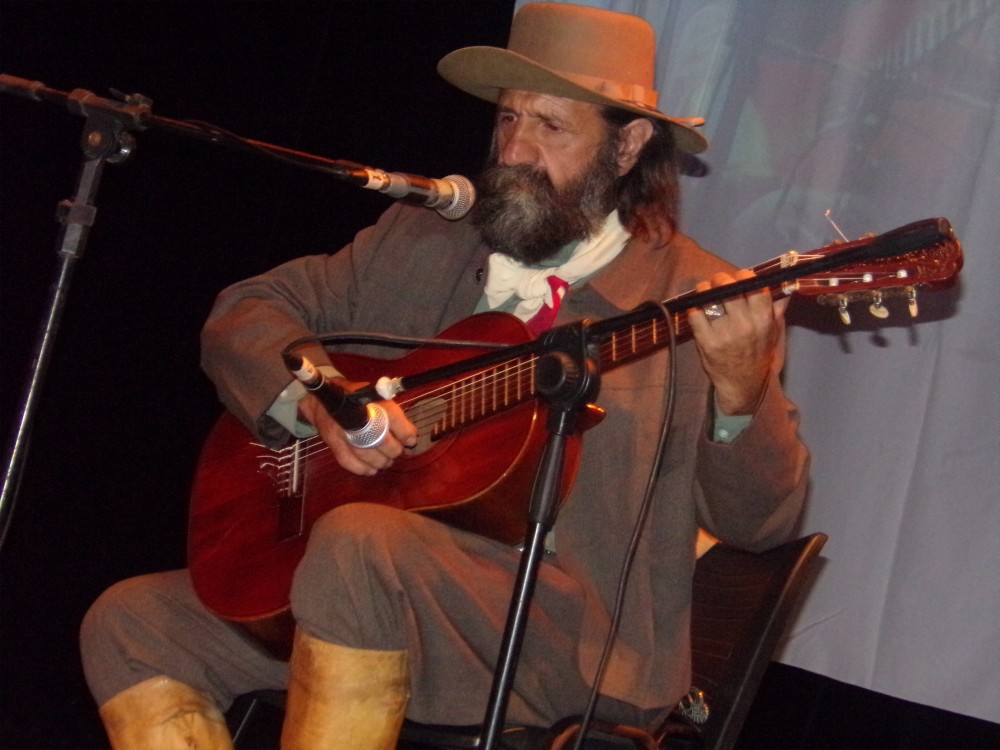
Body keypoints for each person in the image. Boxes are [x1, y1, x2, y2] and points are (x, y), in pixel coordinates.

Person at [80, 3, 809, 748]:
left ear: (626, 148)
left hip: (575, 648)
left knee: (360, 543)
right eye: (507, 121)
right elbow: (249, 309)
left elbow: (763, 523)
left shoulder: (695, 299)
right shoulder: (423, 240)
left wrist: (741, 396)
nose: (516, 151)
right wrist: (320, 400)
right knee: (131, 623)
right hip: (373, 596)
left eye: (550, 127)